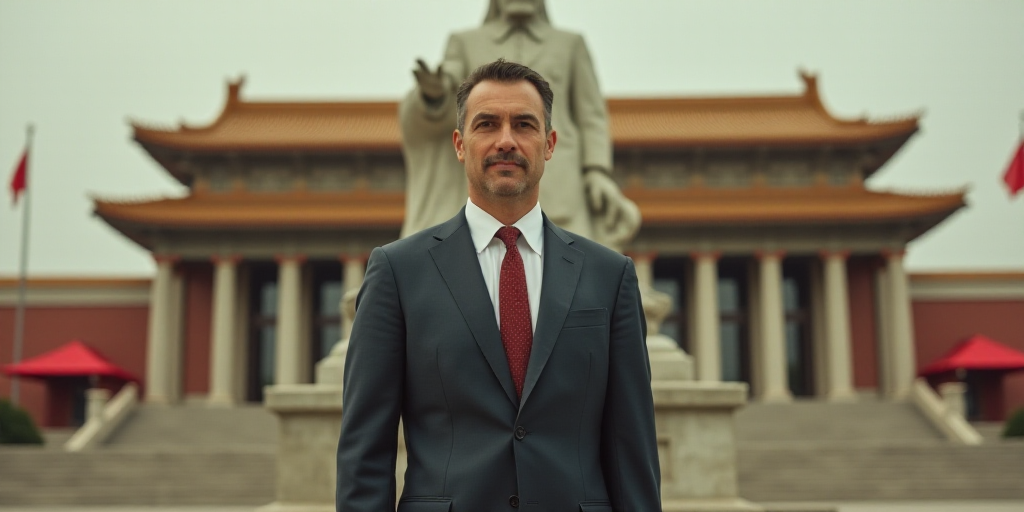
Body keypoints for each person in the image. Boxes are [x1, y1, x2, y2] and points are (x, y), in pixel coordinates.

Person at [337, 60, 661, 512]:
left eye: (524, 125)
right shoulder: (397, 272)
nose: (505, 140)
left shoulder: (609, 276)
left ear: (549, 144)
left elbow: (633, 450)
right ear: (459, 144)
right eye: (486, 124)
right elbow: (364, 452)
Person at [398, 0, 640, 251]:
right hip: (490, 181)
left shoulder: (570, 44)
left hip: (563, 187)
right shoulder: (465, 42)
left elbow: (591, 115)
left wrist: (596, 170)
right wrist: (433, 95)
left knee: (579, 271)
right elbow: (449, 89)